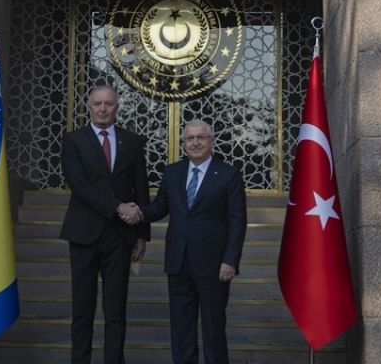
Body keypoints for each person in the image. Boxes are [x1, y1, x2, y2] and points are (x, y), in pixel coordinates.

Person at [59, 84, 151, 364]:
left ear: (117, 107)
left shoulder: (133, 141)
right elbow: (79, 185)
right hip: (84, 234)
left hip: (120, 237)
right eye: (97, 103)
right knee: (82, 311)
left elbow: (141, 188)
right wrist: (117, 207)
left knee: (116, 312)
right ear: (89, 107)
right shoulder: (74, 140)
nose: (102, 109)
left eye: (108, 104)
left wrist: (142, 235)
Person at [141, 119, 246, 364]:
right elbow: (160, 207)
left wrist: (230, 261)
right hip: (178, 263)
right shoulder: (172, 172)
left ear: (211, 141)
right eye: (190, 138)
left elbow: (237, 222)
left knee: (213, 328)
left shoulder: (228, 174)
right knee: (181, 328)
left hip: (214, 266)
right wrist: (137, 212)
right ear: (184, 144)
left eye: (201, 138)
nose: (195, 143)